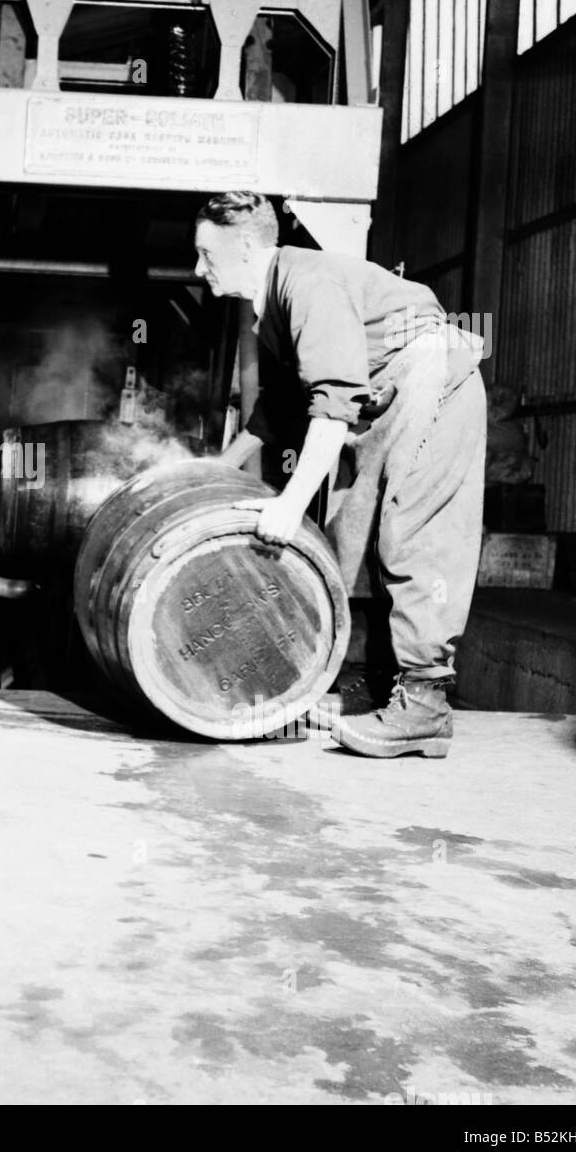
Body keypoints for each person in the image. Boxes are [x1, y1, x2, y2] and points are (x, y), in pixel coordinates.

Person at [195, 192, 486, 758]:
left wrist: (288, 503)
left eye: (206, 253)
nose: (197, 267)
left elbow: (334, 402)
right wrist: (210, 473)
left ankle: (424, 705)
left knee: (412, 535)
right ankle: (374, 682)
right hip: (384, 398)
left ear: (248, 245)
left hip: (430, 376)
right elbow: (276, 412)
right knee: (345, 537)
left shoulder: (307, 283)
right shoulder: (272, 306)